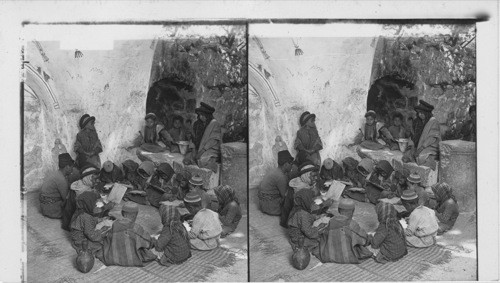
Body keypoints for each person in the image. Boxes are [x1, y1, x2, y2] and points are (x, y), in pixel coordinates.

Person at [101, 202, 157, 266]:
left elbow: (109, 238)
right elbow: (148, 242)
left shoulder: (115, 224)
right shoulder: (136, 227)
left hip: (112, 259)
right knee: (145, 244)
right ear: (135, 215)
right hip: (131, 260)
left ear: (122, 213)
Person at [318, 198, 372, 264]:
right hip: (346, 256)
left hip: (329, 254)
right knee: (361, 241)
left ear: (338, 210)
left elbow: (324, 234)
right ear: (353, 211)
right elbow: (363, 239)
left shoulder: (332, 220)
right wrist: (370, 238)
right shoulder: (352, 224)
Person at [184, 102, 222, 172]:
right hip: (198, 147)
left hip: (210, 148)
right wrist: (193, 150)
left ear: (207, 115)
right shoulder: (197, 124)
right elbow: (192, 139)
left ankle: (212, 163)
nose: (201, 117)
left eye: (203, 115)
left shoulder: (214, 124)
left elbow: (213, 140)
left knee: (202, 160)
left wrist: (201, 152)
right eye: (199, 115)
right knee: (187, 159)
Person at [287, 189, 325, 259]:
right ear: (306, 200)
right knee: (323, 240)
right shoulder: (302, 214)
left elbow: (306, 218)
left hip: (296, 233)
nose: (313, 202)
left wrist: (317, 217)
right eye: (311, 200)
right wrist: (321, 229)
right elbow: (310, 233)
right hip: (298, 238)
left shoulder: (298, 207)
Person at [62, 165, 101, 231]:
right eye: (95, 179)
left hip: (67, 220)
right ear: (88, 178)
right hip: (75, 225)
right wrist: (105, 207)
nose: (98, 181)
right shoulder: (84, 192)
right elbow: (91, 210)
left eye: (98, 178)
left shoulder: (79, 184)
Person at [69, 191, 109, 257]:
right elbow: (92, 236)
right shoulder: (86, 217)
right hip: (80, 241)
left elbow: (85, 222)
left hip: (76, 237)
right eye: (94, 203)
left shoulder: (81, 211)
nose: (96, 205)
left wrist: (99, 220)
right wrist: (102, 230)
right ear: (89, 203)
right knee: (104, 243)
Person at [403, 100, 441, 169]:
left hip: (430, 146)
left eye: (422, 113)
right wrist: (413, 146)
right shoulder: (417, 121)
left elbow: (432, 138)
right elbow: (413, 136)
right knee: (408, 155)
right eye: (419, 113)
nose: (420, 115)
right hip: (419, 145)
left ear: (426, 113)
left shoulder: (433, 121)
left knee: (421, 157)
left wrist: (420, 149)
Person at [258, 150, 294, 216]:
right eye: (291, 164)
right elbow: (285, 195)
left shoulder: (275, 171)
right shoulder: (280, 176)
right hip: (270, 207)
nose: (292, 166)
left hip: (263, 204)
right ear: (286, 164)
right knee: (294, 204)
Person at [39, 153, 75, 219]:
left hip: (44, 206)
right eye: (72, 167)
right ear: (67, 167)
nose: (72, 169)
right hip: (51, 210)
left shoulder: (56, 173)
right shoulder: (61, 179)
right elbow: (66, 198)